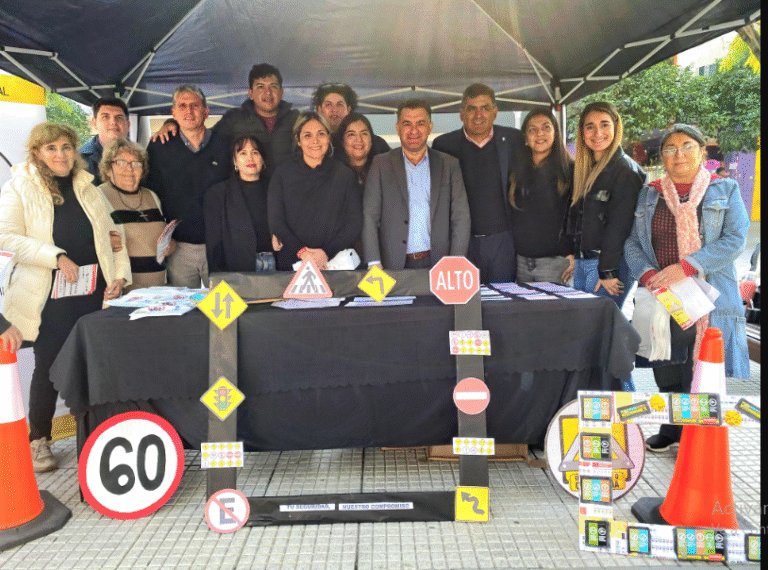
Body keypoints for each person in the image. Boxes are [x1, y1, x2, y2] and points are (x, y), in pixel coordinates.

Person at [0, 122, 131, 472]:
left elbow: (114, 236)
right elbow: (6, 238)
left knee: (91, 364)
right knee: (49, 367)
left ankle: (92, 433)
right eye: (51, 148)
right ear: (36, 152)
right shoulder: (19, 186)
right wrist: (54, 256)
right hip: (48, 296)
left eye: (66, 147)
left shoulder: (87, 186)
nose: (61, 155)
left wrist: (118, 277)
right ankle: (39, 440)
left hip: (91, 292)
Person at [624, 124, 749, 452]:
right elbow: (633, 242)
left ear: (702, 152)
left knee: (701, 366)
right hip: (662, 293)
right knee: (667, 363)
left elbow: (735, 240)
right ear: (662, 156)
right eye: (670, 148)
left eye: (687, 146)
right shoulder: (650, 193)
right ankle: (672, 427)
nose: (678, 154)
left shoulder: (725, 189)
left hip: (707, 293)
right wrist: (648, 274)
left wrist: (686, 267)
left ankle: (699, 433)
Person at [432, 83, 524, 282]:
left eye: (485, 108)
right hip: (462, 242)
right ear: (461, 114)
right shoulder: (444, 145)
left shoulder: (514, 139)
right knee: (466, 298)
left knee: (502, 296)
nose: (478, 115)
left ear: (495, 112)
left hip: (503, 240)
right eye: (471, 109)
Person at [363, 99, 470, 270]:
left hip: (439, 264)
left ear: (430, 127)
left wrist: (456, 261)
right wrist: (374, 262)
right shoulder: (380, 164)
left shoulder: (449, 164)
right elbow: (370, 216)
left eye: (420, 123)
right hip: (392, 264)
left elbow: (460, 217)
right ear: (397, 127)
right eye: (407, 124)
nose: (414, 130)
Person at [146, 85, 229, 288]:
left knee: (223, 304)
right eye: (182, 106)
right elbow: (150, 194)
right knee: (182, 305)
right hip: (178, 247)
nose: (189, 111)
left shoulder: (225, 144)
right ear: (173, 113)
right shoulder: (159, 146)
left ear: (206, 111)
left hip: (219, 245)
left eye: (195, 105)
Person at [153, 63, 298, 177]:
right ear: (250, 93)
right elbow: (202, 134)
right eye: (260, 87)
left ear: (281, 92)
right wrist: (172, 123)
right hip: (250, 193)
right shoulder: (235, 118)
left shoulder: (296, 120)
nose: (267, 92)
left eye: (273, 86)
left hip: (288, 192)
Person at [567, 101, 645, 307]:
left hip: (608, 266)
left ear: (616, 127)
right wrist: (573, 253)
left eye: (604, 124)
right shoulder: (586, 169)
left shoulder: (625, 170)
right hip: (584, 262)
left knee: (599, 323)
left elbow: (620, 226)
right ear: (582, 132)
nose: (597, 133)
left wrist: (608, 270)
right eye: (590, 126)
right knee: (585, 322)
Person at [267, 112, 362, 271]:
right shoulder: (282, 174)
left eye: (321, 134)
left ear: (329, 137)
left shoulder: (344, 174)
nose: (315, 141)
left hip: (334, 264)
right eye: (307, 135)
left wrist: (326, 253)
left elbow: (354, 222)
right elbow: (276, 221)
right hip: (292, 263)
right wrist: (303, 252)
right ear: (298, 140)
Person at [99, 139, 174, 290]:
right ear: (108, 169)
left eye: (136, 164)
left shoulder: (151, 196)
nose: (129, 169)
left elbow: (161, 236)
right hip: (121, 288)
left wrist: (171, 245)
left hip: (158, 287)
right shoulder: (99, 196)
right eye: (121, 162)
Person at [508, 110, 573, 283]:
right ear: (525, 138)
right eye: (532, 129)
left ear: (555, 133)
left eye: (546, 127)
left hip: (556, 263)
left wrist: (573, 252)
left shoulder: (570, 171)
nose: (539, 133)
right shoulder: (516, 172)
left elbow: (579, 217)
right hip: (521, 262)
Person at [205, 135, 273, 273]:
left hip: (275, 263)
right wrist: (220, 276)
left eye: (255, 152)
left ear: (262, 159)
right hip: (238, 267)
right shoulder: (218, 193)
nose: (250, 158)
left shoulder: (276, 188)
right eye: (243, 153)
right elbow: (214, 242)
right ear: (234, 160)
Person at [313, 82, 390, 153]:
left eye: (340, 104)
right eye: (328, 105)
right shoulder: (314, 144)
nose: (334, 110)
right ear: (319, 110)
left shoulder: (376, 144)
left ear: (348, 109)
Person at [79, 97, 130, 185]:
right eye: (105, 117)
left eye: (119, 117)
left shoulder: (141, 156)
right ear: (94, 123)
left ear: (128, 124)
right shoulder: (79, 159)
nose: (113, 122)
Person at [335, 112, 387, 187]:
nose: (359, 139)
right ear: (342, 141)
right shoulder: (333, 173)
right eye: (351, 134)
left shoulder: (384, 169)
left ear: (371, 140)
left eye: (364, 133)